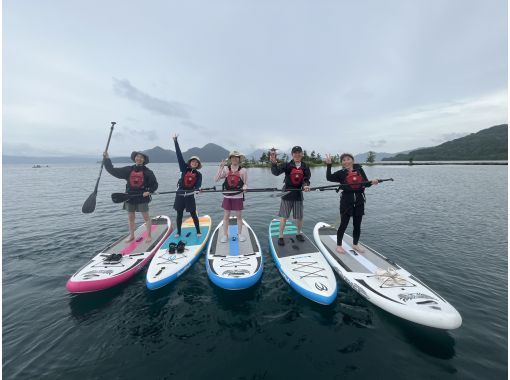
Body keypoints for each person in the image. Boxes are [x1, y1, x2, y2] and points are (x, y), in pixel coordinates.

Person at [324, 153, 378, 254]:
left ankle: (355, 244)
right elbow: (329, 178)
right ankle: (339, 245)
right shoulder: (341, 173)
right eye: (344, 160)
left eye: (348, 159)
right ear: (342, 163)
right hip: (346, 202)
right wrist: (329, 165)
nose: (346, 161)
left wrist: (372, 182)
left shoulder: (360, 170)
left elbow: (365, 183)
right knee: (343, 224)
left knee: (357, 225)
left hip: (359, 201)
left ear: (352, 160)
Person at [103, 150, 158, 242]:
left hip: (142, 197)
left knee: (146, 217)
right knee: (130, 217)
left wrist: (149, 191)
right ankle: (132, 235)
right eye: (137, 156)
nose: (139, 158)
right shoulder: (128, 169)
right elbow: (112, 170)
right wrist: (107, 159)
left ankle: (149, 235)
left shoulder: (148, 172)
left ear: (144, 160)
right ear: (134, 158)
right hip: (129, 197)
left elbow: (155, 185)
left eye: (141, 157)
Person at [270, 146, 311, 246]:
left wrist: (306, 186)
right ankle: (280, 236)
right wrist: (273, 163)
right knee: (284, 217)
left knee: (300, 217)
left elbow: (306, 179)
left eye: (299, 152)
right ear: (292, 154)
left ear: (302, 154)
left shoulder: (305, 166)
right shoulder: (287, 165)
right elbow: (276, 172)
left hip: (298, 194)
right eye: (295, 153)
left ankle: (298, 233)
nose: (297, 154)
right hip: (287, 194)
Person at [172, 134, 202, 238]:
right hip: (180, 194)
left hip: (189, 195)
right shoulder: (184, 168)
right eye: (193, 161)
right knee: (179, 214)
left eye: (196, 162)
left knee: (193, 214)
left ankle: (198, 231)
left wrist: (197, 189)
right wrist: (175, 142)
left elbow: (198, 184)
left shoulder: (198, 174)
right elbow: (179, 155)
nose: (194, 163)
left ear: (198, 165)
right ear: (190, 162)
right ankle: (178, 232)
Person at [214, 151, 248, 243]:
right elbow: (216, 179)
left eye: (237, 157)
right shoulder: (226, 169)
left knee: (239, 217)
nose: (235, 159)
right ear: (230, 159)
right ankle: (225, 235)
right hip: (227, 196)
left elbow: (245, 184)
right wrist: (220, 167)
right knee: (226, 216)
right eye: (233, 157)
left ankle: (240, 234)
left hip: (238, 196)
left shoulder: (243, 170)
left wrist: (245, 187)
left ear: (239, 159)